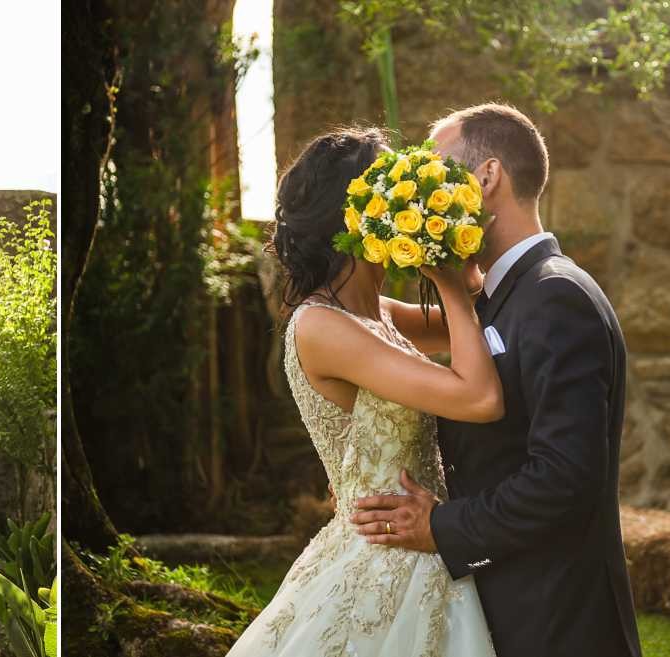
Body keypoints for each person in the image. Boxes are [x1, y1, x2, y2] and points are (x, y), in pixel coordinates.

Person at [350, 104, 642, 657]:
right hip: (509, 606)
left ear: (487, 177)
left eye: (436, 171)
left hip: (558, 621)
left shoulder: (556, 295)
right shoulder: (495, 298)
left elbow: (565, 477)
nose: (421, 194)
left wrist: (443, 528)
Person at [225, 127, 502, 657]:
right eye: (400, 193)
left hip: (426, 538)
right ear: (360, 215)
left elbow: (481, 325)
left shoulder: (380, 313)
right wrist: (446, 282)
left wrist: (461, 254)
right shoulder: (321, 325)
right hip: (384, 554)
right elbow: (480, 398)